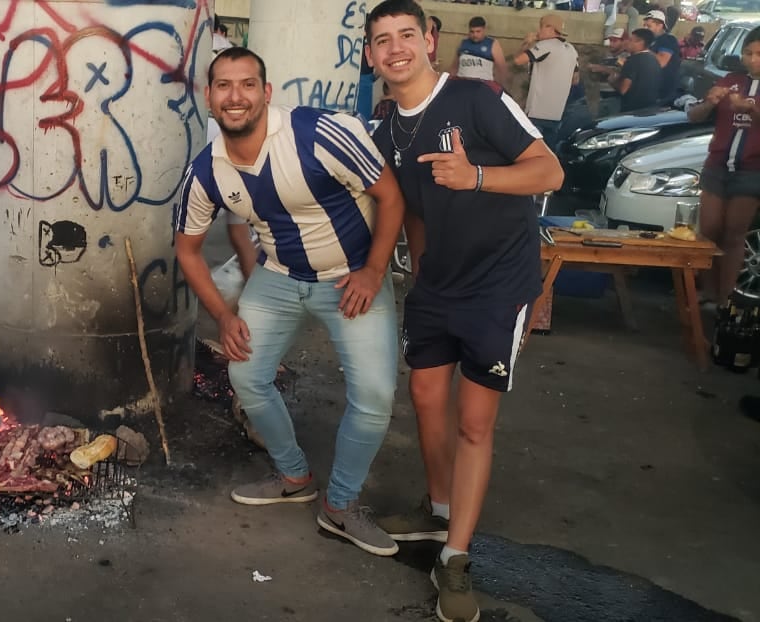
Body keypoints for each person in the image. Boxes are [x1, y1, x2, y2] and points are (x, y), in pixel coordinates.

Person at [365, 1, 564, 619]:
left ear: (430, 40)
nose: (395, 49)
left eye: (405, 35)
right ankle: (440, 509)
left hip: (496, 287)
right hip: (437, 286)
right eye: (381, 40)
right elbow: (415, 209)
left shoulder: (477, 99)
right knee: (426, 400)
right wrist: (417, 269)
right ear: (370, 54)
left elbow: (549, 170)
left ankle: (455, 558)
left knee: (475, 423)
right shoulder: (383, 124)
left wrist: (476, 176)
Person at [173, 47, 408, 557]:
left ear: (266, 92)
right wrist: (222, 312)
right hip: (278, 276)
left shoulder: (320, 133)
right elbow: (187, 249)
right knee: (246, 375)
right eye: (223, 86)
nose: (236, 96)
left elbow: (390, 196)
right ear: (208, 99)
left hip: (352, 279)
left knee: (373, 398)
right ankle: (293, 475)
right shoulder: (207, 171)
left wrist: (372, 270)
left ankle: (341, 507)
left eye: (247, 84)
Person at [688, 26, 760, 311]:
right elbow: (694, 115)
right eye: (748, 53)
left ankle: (725, 300)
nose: (753, 59)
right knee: (709, 230)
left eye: (759, 54)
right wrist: (710, 102)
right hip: (717, 166)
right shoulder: (731, 80)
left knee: (734, 233)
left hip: (752, 171)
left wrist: (751, 108)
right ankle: (707, 292)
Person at [514, 14, 579, 149]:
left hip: (537, 112)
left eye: (541, 27)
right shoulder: (571, 50)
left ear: (550, 28)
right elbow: (575, 80)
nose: (538, 31)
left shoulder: (545, 46)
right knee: (548, 153)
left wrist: (527, 42)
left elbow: (518, 60)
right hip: (556, 113)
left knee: (529, 152)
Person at [612, 28, 662, 112]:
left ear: (641, 42)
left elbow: (623, 90)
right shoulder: (655, 60)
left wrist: (613, 81)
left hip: (631, 110)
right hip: (650, 109)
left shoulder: (632, 61)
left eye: (631, 40)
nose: (628, 43)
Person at [451, 16, 508, 88]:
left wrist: (499, 87)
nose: (475, 35)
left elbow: (502, 68)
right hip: (462, 84)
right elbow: (454, 67)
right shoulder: (463, 43)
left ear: (484, 30)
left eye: (478, 31)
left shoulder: (492, 43)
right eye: (472, 32)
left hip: (483, 86)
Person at [644, 9, 681, 104]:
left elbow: (661, 62)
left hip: (664, 91)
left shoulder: (668, 40)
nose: (645, 28)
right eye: (644, 25)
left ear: (660, 26)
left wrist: (643, 50)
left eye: (649, 26)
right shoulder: (652, 42)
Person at [589, 29, 628, 117]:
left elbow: (624, 74)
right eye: (610, 41)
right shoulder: (607, 56)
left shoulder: (627, 57)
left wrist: (603, 69)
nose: (611, 44)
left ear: (624, 42)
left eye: (615, 41)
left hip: (614, 96)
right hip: (600, 95)